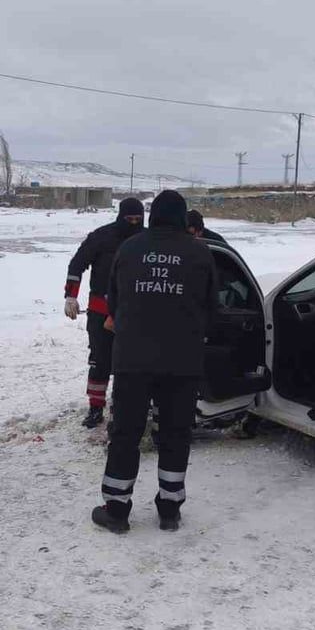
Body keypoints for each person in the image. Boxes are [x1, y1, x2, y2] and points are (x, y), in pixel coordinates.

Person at [92, 190, 218, 534]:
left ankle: (116, 509)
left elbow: (113, 303)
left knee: (126, 434)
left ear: (152, 215)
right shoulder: (200, 252)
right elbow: (212, 307)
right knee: (176, 434)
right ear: (181, 217)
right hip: (182, 363)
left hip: (133, 361)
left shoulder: (129, 249)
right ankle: (170, 509)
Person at [64, 197, 145, 428]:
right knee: (100, 360)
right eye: (128, 219)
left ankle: (123, 406)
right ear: (120, 217)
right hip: (101, 310)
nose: (133, 223)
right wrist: (71, 295)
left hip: (135, 312)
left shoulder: (146, 239)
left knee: (129, 363)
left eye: (137, 219)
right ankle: (95, 407)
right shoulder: (101, 237)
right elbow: (76, 265)